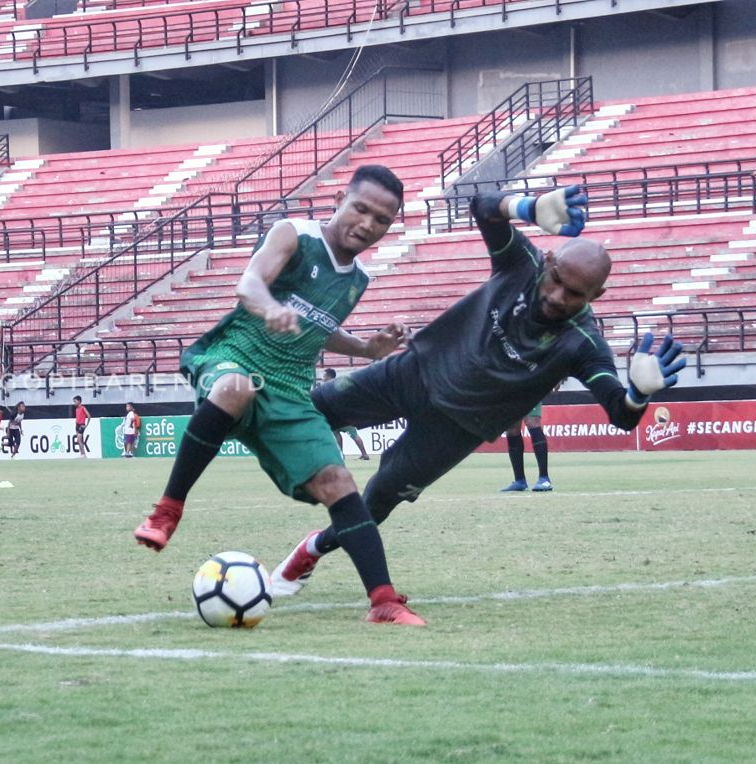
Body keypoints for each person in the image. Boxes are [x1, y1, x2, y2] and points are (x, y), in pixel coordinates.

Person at [267, 185, 685, 604]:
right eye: (556, 281)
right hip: (414, 372)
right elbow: (482, 207)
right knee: (303, 411)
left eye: (575, 294)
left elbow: (621, 413)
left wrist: (638, 393)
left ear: (597, 297)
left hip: (454, 430)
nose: (558, 297)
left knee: (376, 502)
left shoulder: (582, 342)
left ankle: (311, 551)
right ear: (550, 260)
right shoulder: (522, 264)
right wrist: (528, 207)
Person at [133, 165, 423, 626]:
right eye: (361, 209)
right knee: (237, 387)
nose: (368, 224)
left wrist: (367, 348)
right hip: (235, 355)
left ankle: (384, 601)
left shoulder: (357, 280)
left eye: (382, 220)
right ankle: (168, 511)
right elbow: (248, 283)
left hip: (290, 389)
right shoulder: (294, 234)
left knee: (339, 485)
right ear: (341, 202)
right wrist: (269, 307)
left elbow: (320, 329)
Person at [500, 383, 561, 492]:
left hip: (531, 381)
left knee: (532, 421)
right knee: (512, 428)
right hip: (509, 383)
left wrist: (557, 377)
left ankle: (544, 478)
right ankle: (519, 481)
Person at [317, 368, 370, 461]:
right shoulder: (340, 384)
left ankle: (343, 455)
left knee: (341, 434)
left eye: (324, 375)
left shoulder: (326, 388)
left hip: (336, 415)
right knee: (350, 434)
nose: (322, 377)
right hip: (344, 415)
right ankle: (361, 454)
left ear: (329, 376)